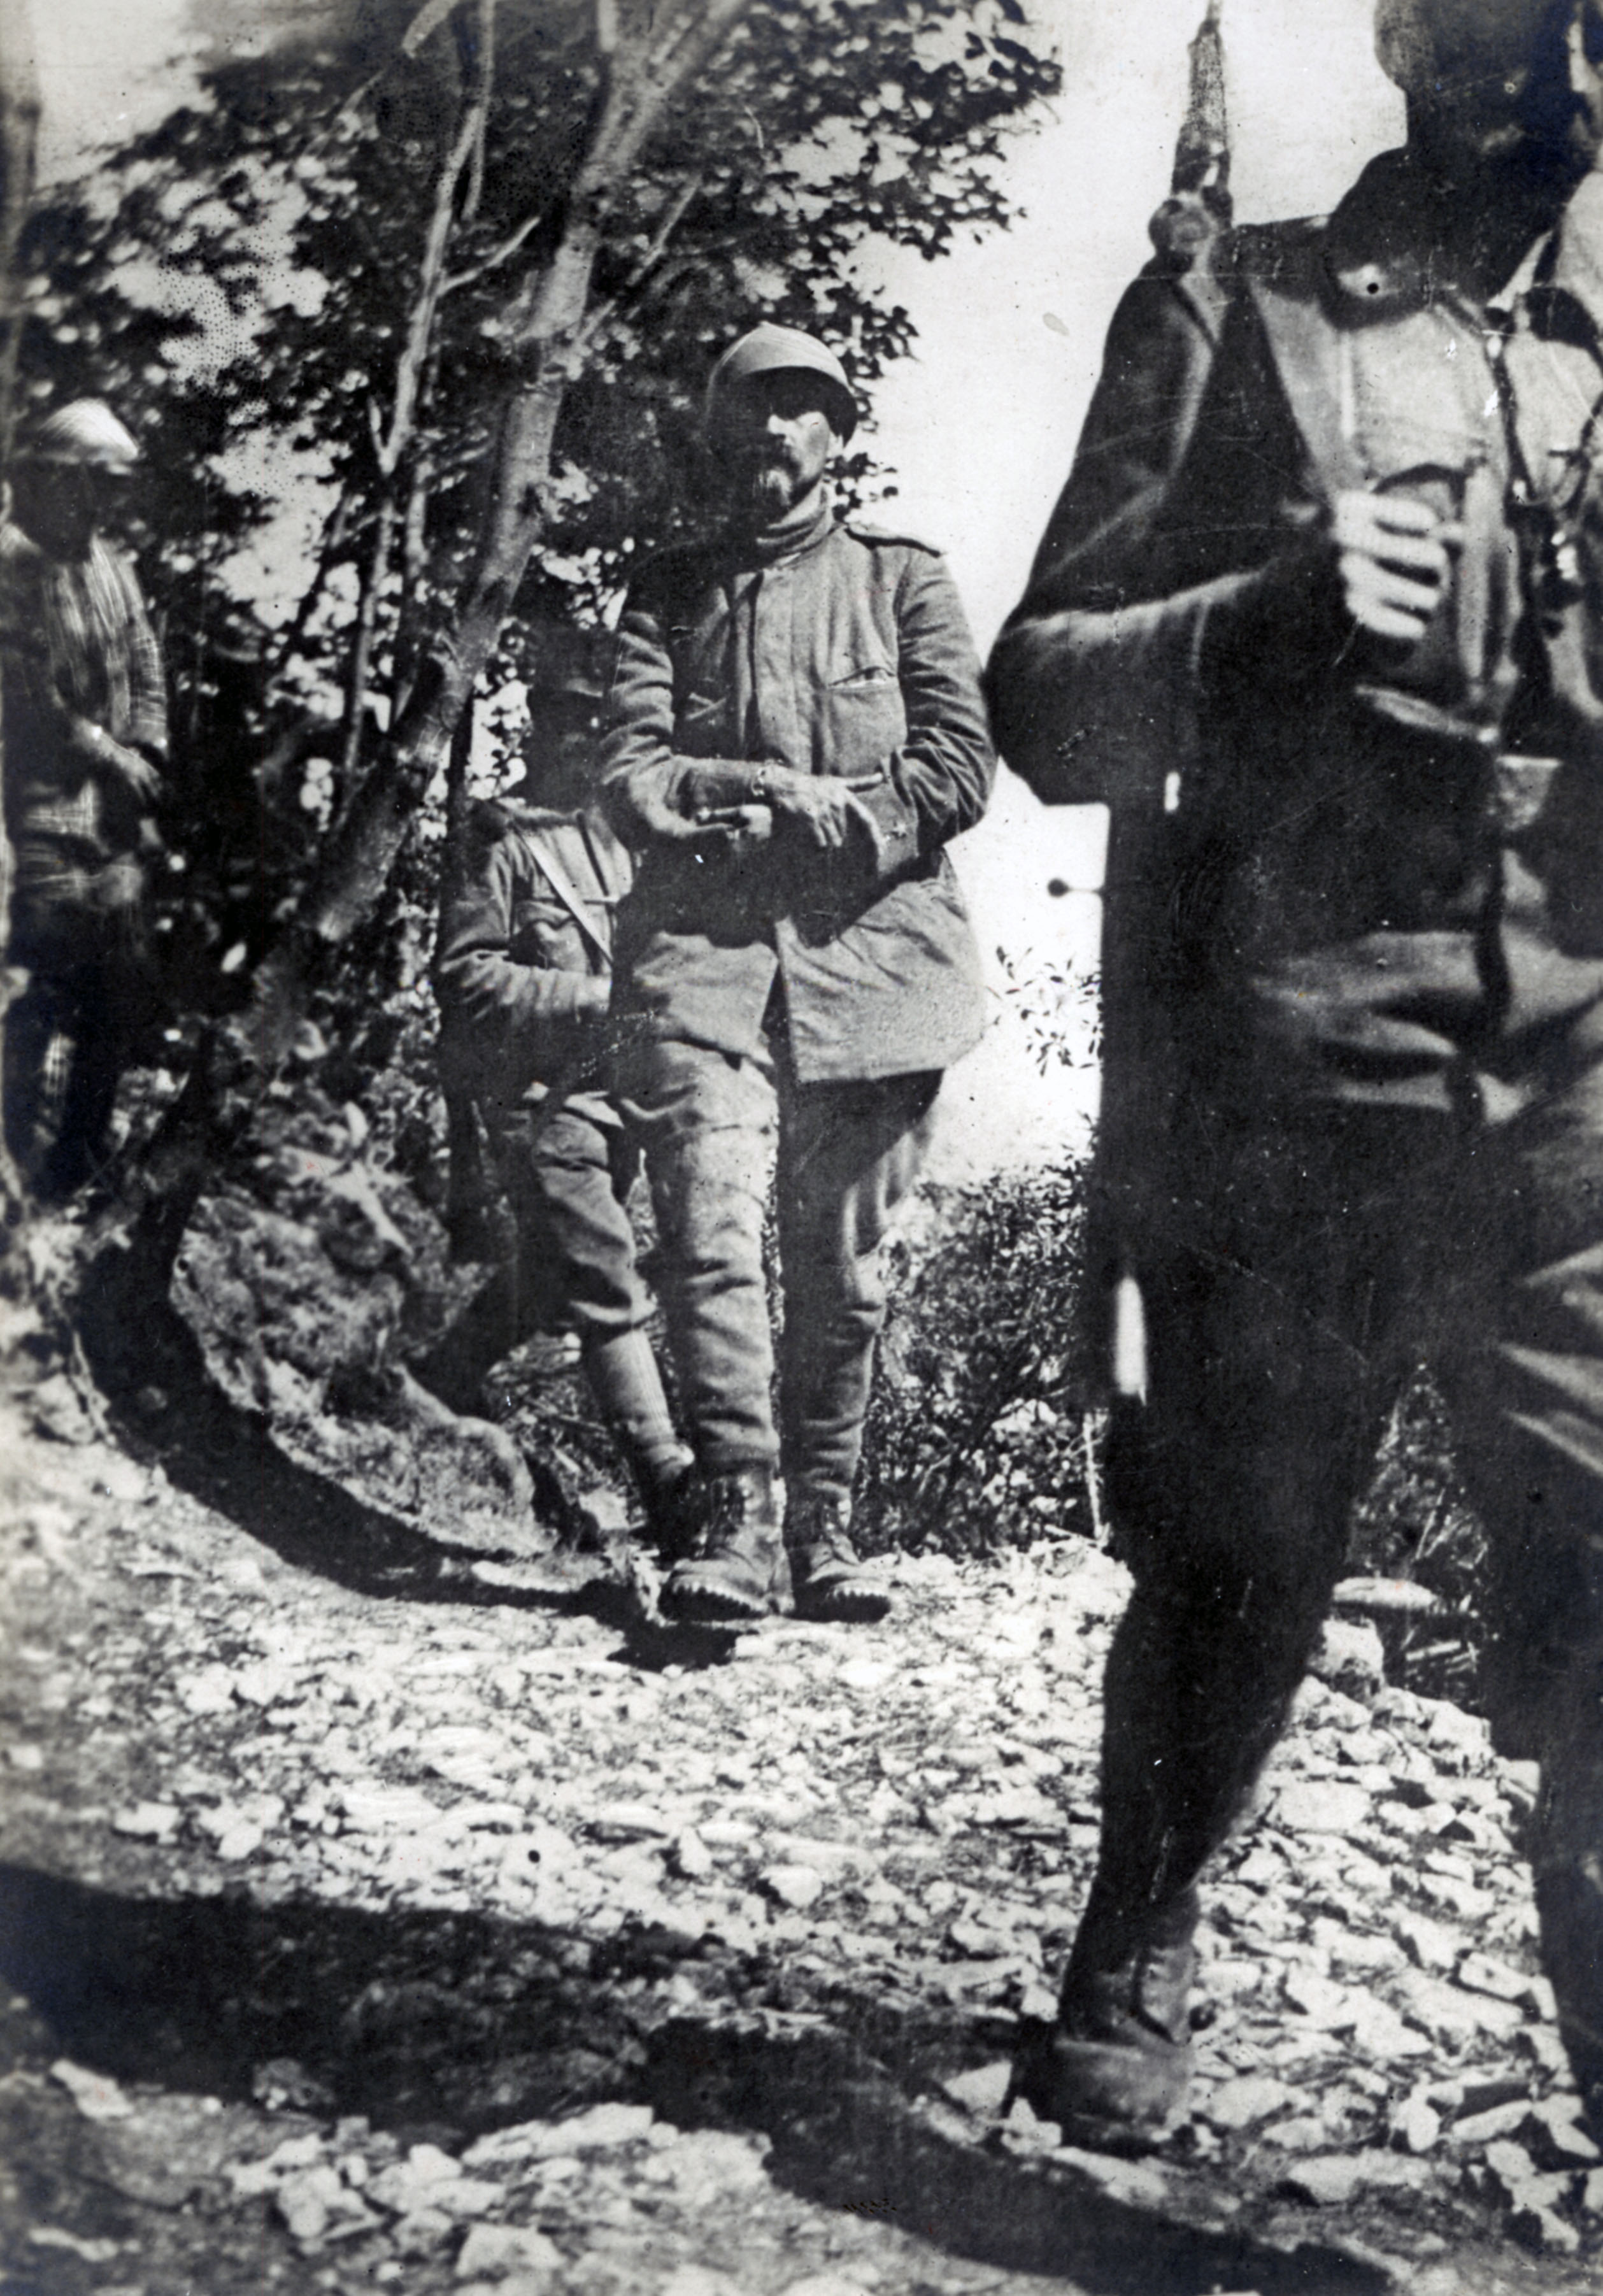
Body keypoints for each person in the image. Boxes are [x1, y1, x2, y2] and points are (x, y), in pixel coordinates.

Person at [988, 0, 1603, 2149]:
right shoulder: (1242, 308)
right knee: (1240, 1567)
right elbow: (1039, 700)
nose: (1543, 54)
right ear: (1407, 33)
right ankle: (1139, 1914)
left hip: (1582, 1108)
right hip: (1299, 1088)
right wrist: (1271, 613)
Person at [601, 322, 994, 1627]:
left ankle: (824, 1523)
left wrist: (841, 823)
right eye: (751, 408)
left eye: (799, 408)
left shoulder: (901, 581)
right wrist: (746, 790)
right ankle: (735, 1514)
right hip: (705, 959)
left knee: (845, 1264)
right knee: (708, 1229)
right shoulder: (665, 591)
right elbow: (630, 773)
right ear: (720, 435)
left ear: (836, 434)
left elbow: (953, 767)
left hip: (871, 962)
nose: (773, 429)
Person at [433, 657, 692, 1552]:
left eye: (597, 722)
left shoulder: (640, 839)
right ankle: (671, 1486)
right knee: (601, 1272)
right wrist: (590, 1000)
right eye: (565, 718)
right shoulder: (500, 838)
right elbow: (464, 978)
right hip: (537, 1098)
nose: (581, 737)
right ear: (539, 724)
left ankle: (435, 1379)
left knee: (553, 1281)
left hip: (625, 1100)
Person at [1, 399, 168, 1200]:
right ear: (54, 479)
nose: (104, 504)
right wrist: (105, 754)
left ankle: (78, 1153)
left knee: (116, 985)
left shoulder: (112, 564)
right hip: (35, 808)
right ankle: (14, 1150)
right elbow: (26, 695)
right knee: (48, 973)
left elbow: (144, 657)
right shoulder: (11, 560)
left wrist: (145, 751)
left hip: (114, 816)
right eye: (92, 485)